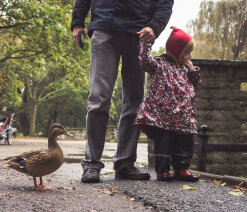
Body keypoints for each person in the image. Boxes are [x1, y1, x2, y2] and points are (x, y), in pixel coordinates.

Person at [71, 1, 174, 183]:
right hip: (105, 25)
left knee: (135, 102)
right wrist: (78, 21)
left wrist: (155, 26)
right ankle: (91, 165)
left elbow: (165, 2)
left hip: (140, 32)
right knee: (98, 99)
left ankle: (124, 164)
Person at [134, 26, 201, 182]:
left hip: (184, 116)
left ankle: (181, 168)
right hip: (164, 117)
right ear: (176, 51)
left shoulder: (186, 69)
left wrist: (193, 71)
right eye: (187, 52)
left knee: (184, 144)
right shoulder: (160, 64)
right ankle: (162, 170)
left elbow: (196, 84)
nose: (189, 56)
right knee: (164, 143)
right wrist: (145, 43)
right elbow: (144, 61)